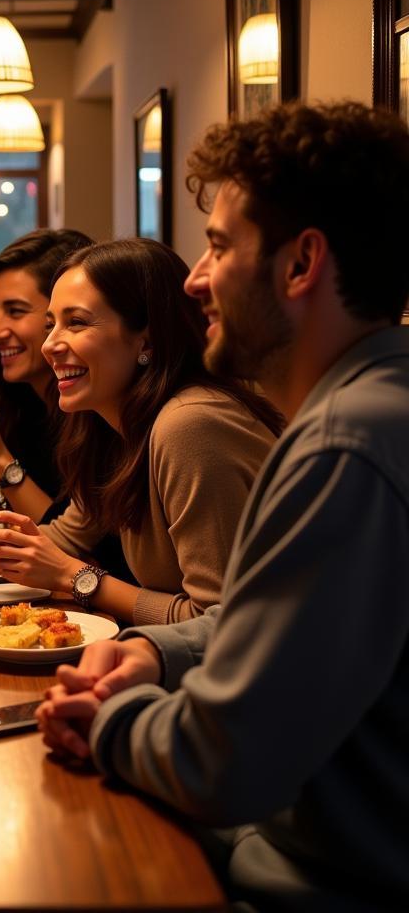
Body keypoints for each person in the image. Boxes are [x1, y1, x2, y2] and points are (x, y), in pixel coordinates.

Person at [38, 101, 409, 910]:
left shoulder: (345, 447)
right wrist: (158, 656)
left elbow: (222, 762)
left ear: (300, 263)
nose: (196, 281)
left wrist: (107, 718)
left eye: (216, 246)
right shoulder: (371, 406)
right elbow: (270, 618)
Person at [0, 238, 283, 625]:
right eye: (50, 325)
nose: (50, 344)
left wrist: (74, 577)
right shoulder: (111, 424)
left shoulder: (190, 424)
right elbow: (67, 537)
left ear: (147, 338)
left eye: (76, 322)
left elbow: (219, 624)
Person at [0, 229, 95, 523]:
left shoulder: (98, 412)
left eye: (15, 311)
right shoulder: (14, 398)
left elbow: (71, 544)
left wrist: (0, 458)